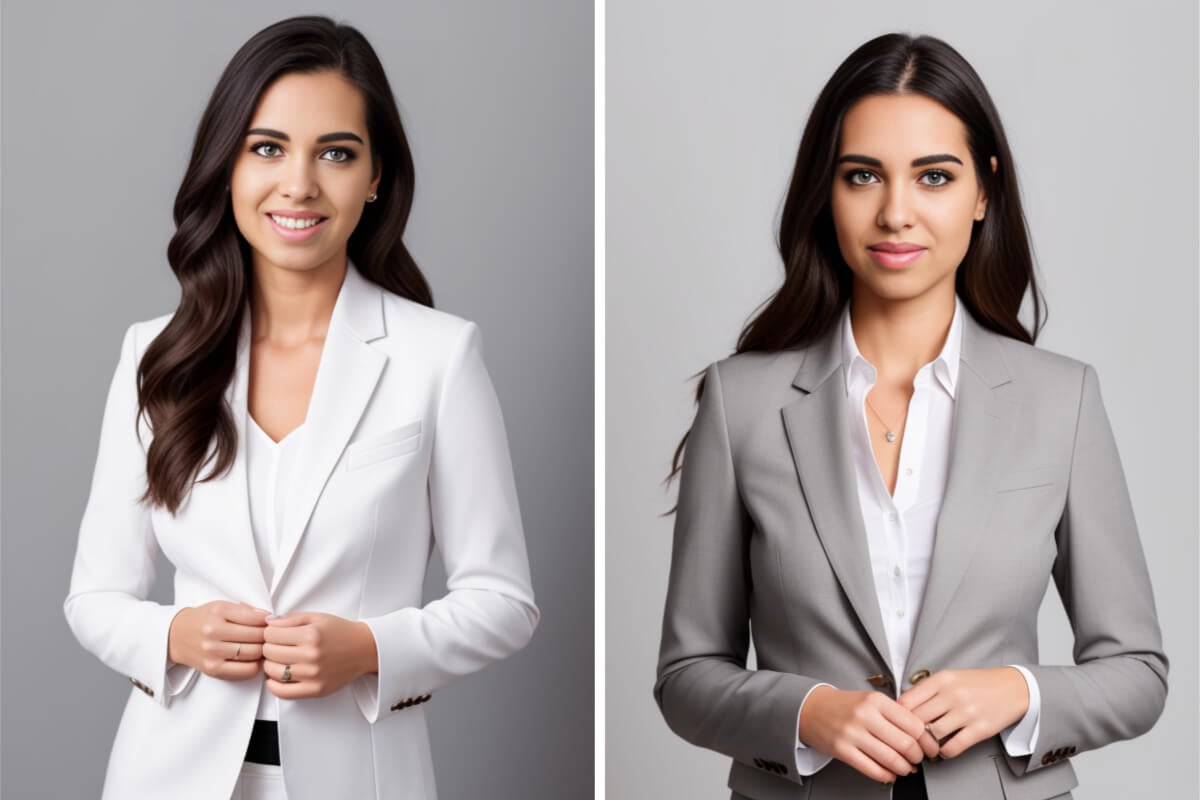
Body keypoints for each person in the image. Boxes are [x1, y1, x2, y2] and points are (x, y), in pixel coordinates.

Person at [655, 33, 1166, 800]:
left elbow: (1138, 673)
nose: (896, 213)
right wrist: (809, 712)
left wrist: (1019, 693)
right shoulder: (742, 403)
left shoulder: (1063, 400)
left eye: (934, 176)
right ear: (826, 193)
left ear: (983, 191)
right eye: (863, 176)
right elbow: (686, 676)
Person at [64, 16, 538, 800]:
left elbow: (504, 602)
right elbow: (94, 597)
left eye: (337, 153)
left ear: (376, 175)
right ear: (228, 166)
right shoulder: (156, 356)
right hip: (166, 777)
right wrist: (176, 633)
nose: (300, 185)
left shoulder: (439, 356)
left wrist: (369, 647)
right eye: (268, 148)